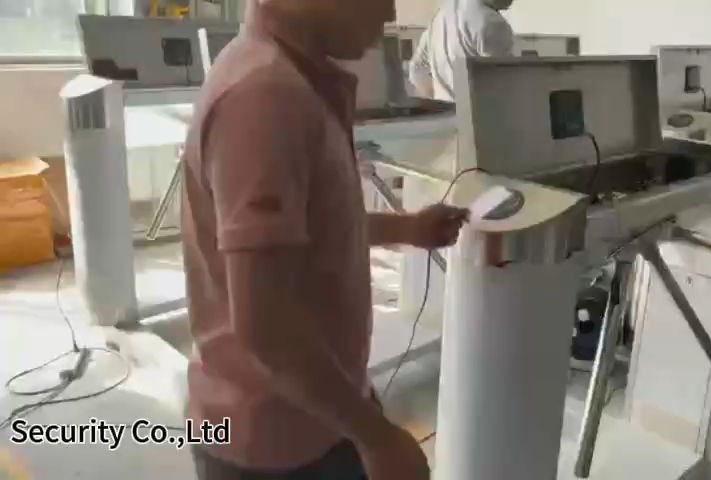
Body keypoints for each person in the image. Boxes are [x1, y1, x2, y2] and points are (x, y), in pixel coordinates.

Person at [180, 0, 469, 479]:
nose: (389, 11)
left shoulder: (292, 82)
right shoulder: (267, 96)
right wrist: (375, 438)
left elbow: (307, 233)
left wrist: (409, 228)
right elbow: (266, 327)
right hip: (277, 441)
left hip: (314, 409)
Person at [408, 0, 516, 101]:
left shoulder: (442, 14)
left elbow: (416, 68)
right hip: (478, 116)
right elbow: (504, 87)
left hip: (446, 115)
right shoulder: (492, 23)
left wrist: (438, 103)